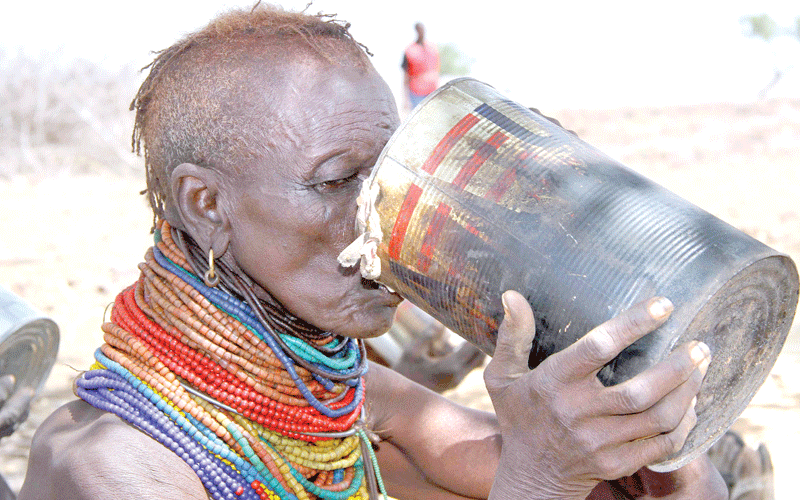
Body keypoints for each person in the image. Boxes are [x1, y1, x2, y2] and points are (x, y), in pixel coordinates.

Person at [18, 5, 727, 499]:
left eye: (389, 170)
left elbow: (593, 482)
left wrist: (662, 456)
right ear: (208, 205)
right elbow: (538, 478)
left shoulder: (338, 393)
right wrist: (540, 479)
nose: (384, 217)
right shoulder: (113, 468)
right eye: (333, 182)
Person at [401, 22, 440, 111]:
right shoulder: (409, 50)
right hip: (416, 93)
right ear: (416, 31)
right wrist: (405, 99)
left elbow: (436, 70)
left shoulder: (433, 48)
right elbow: (405, 75)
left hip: (432, 91)